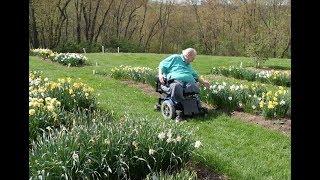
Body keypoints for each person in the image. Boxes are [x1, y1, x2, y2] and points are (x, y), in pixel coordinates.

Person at [158, 48, 210, 121]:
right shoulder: (175, 58)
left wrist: (204, 82)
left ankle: (195, 107)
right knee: (177, 86)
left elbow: (195, 75)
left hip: (188, 83)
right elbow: (162, 64)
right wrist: (160, 75)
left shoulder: (188, 64)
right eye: (193, 58)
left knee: (194, 86)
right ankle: (179, 108)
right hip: (175, 81)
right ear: (188, 55)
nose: (193, 60)